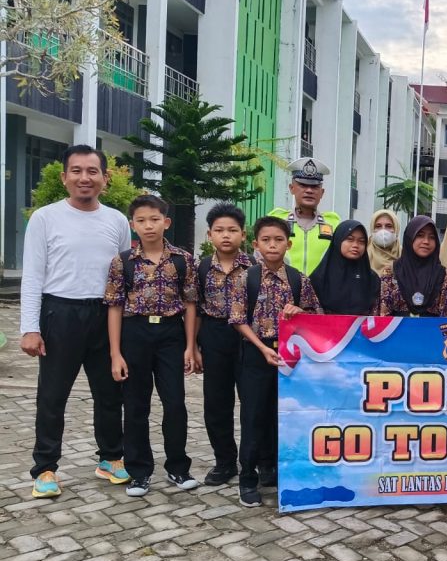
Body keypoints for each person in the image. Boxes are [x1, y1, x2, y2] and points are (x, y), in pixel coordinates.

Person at [20, 145, 132, 498]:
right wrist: (30, 327)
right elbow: (33, 276)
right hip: (60, 314)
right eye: (77, 171)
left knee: (110, 393)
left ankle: (110, 458)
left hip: (105, 315)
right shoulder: (45, 218)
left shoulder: (116, 220)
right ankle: (46, 468)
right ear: (64, 177)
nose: (85, 178)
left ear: (105, 178)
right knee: (52, 396)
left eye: (92, 171)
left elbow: (125, 275)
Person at [105, 195, 199, 497]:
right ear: (133, 225)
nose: (148, 225)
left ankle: (178, 467)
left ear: (166, 222)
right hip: (135, 335)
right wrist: (115, 353)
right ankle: (139, 471)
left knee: (174, 403)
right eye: (141, 220)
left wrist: (190, 346)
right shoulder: (122, 262)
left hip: (171, 335)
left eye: (154, 219)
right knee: (135, 407)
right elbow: (115, 307)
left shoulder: (183, 260)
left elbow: (190, 303)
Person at [229, 216, 321, 506]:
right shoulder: (246, 277)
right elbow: (237, 319)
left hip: (290, 357)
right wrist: (261, 347)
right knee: (253, 415)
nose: (272, 245)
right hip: (256, 354)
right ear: (255, 244)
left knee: (282, 415)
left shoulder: (298, 279)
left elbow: (317, 315)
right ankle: (247, 478)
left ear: (288, 243)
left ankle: (273, 469)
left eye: (278, 239)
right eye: (266, 240)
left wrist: (300, 312)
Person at [194, 203, 253, 486]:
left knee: (252, 402)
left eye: (232, 230)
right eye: (219, 230)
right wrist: (193, 346)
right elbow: (193, 307)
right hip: (214, 336)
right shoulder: (201, 267)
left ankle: (252, 461)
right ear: (209, 235)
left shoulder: (255, 266)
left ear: (243, 234)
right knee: (217, 402)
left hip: (248, 338)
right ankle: (224, 461)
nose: (226, 235)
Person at [267, 156, 341, 274]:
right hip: (283, 290)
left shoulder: (334, 224)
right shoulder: (277, 221)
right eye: (303, 185)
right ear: (292, 188)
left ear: (322, 192)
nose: (309, 191)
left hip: (320, 291)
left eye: (314, 186)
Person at [377, 216, 447, 317]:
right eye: (420, 235)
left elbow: (446, 316)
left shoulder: (443, 275)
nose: (426, 241)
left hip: (433, 331)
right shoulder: (391, 272)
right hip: (396, 331)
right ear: (410, 237)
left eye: (432, 237)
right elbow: (383, 314)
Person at [310, 220, 380, 315]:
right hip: (325, 328)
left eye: (361, 241)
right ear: (338, 240)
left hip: (362, 329)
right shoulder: (320, 276)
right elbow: (309, 312)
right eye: (350, 239)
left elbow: (377, 315)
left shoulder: (371, 278)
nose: (355, 245)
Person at [368, 209, 402, 276]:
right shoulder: (362, 255)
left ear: (396, 229)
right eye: (378, 226)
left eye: (389, 226)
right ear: (372, 229)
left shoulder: (405, 255)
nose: (383, 231)